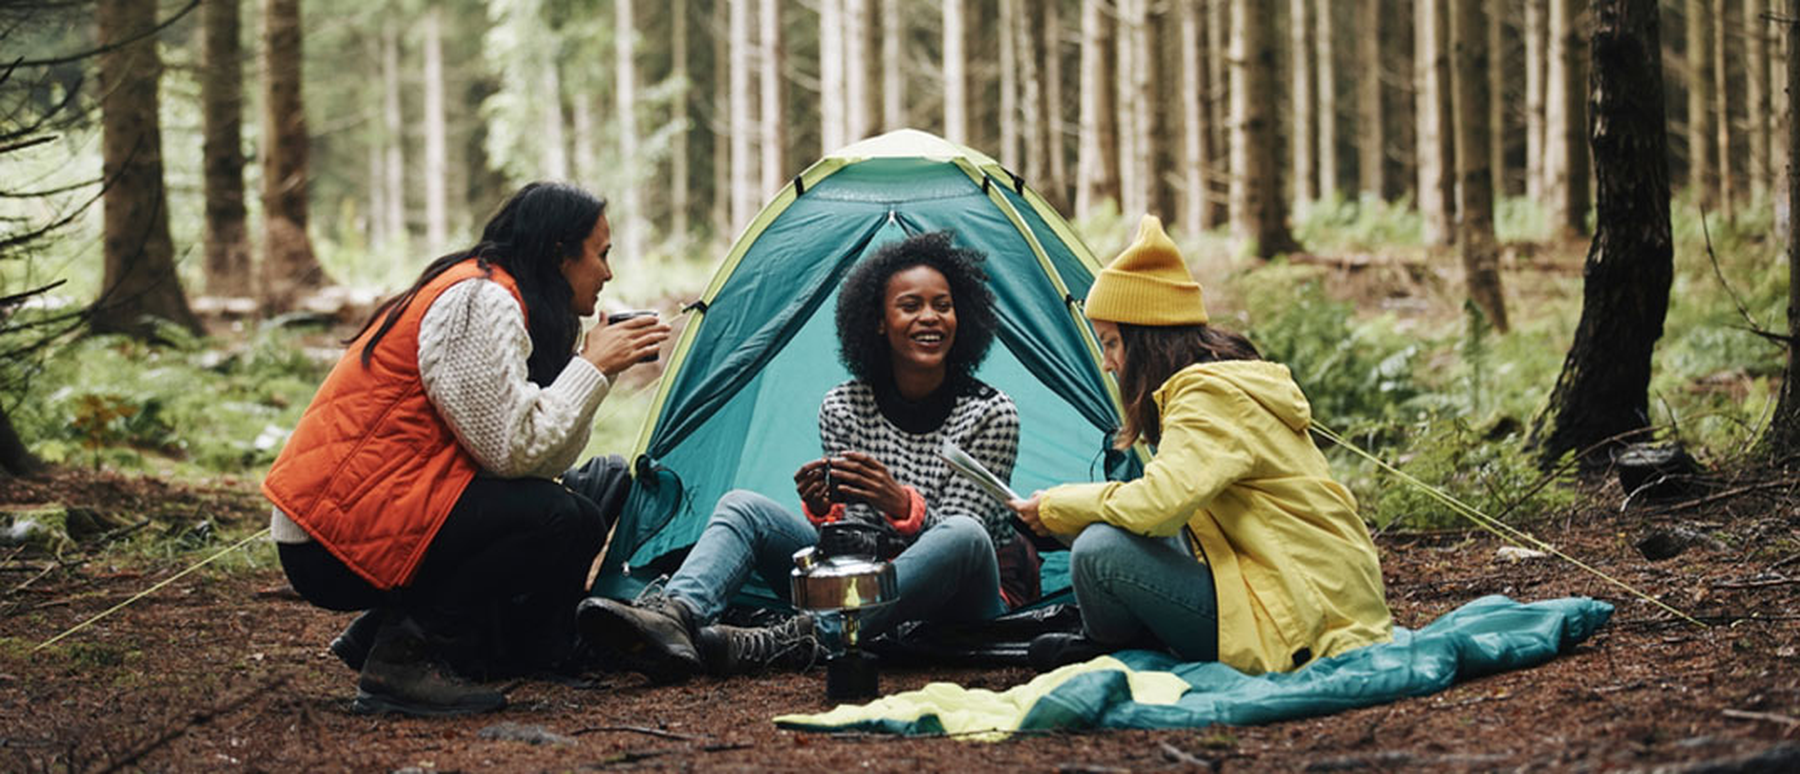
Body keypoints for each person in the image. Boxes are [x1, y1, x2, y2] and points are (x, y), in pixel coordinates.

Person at [262, 182, 671, 715]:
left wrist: (593, 371)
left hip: (373, 511)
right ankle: (403, 659)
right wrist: (590, 368)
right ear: (558, 253)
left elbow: (544, 459)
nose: (608, 273)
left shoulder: (498, 295)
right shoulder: (480, 300)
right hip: (330, 535)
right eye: (602, 254)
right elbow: (514, 452)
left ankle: (401, 635)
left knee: (583, 501)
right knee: (556, 516)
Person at [579, 230, 1032, 680]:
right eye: (910, 306)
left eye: (943, 305)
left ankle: (810, 637)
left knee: (965, 534)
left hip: (963, 602)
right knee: (743, 507)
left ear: (963, 315)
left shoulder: (991, 414)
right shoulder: (845, 406)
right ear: (878, 321)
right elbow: (854, 543)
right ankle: (675, 616)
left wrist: (901, 505)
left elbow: (962, 552)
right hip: (867, 586)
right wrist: (824, 512)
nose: (930, 318)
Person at [1009, 214, 1392, 674]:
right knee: (1097, 528)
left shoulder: (1208, 398)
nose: (1108, 364)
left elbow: (1159, 505)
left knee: (1098, 551)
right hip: (1296, 589)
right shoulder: (1219, 386)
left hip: (1298, 613)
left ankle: (1111, 649)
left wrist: (1056, 504)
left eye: (1111, 344)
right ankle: (1123, 638)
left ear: (1145, 338)